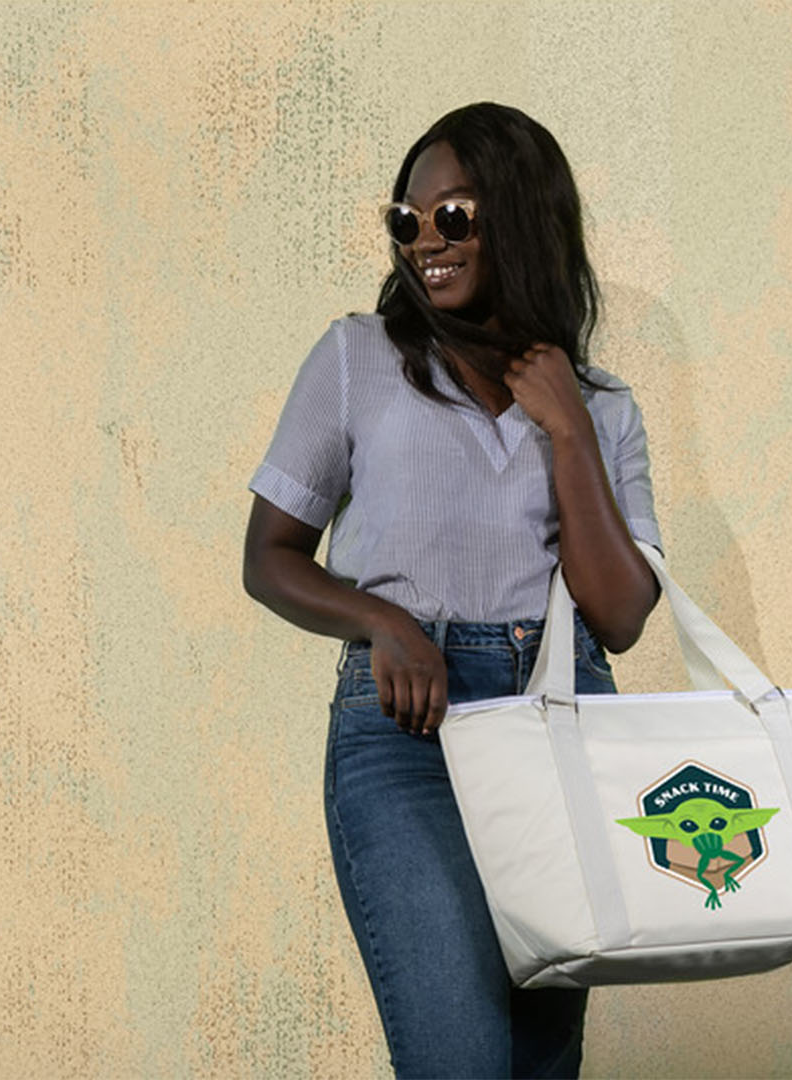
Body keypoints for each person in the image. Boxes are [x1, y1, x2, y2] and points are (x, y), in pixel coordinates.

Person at [241, 102, 663, 1078]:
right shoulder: (358, 361)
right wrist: (383, 620)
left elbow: (622, 614)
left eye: (453, 216)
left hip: (557, 729)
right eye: (408, 219)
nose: (425, 240)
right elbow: (270, 555)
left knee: (537, 1063)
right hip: (405, 736)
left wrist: (568, 432)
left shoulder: (601, 405)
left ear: (517, 217)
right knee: (459, 1058)